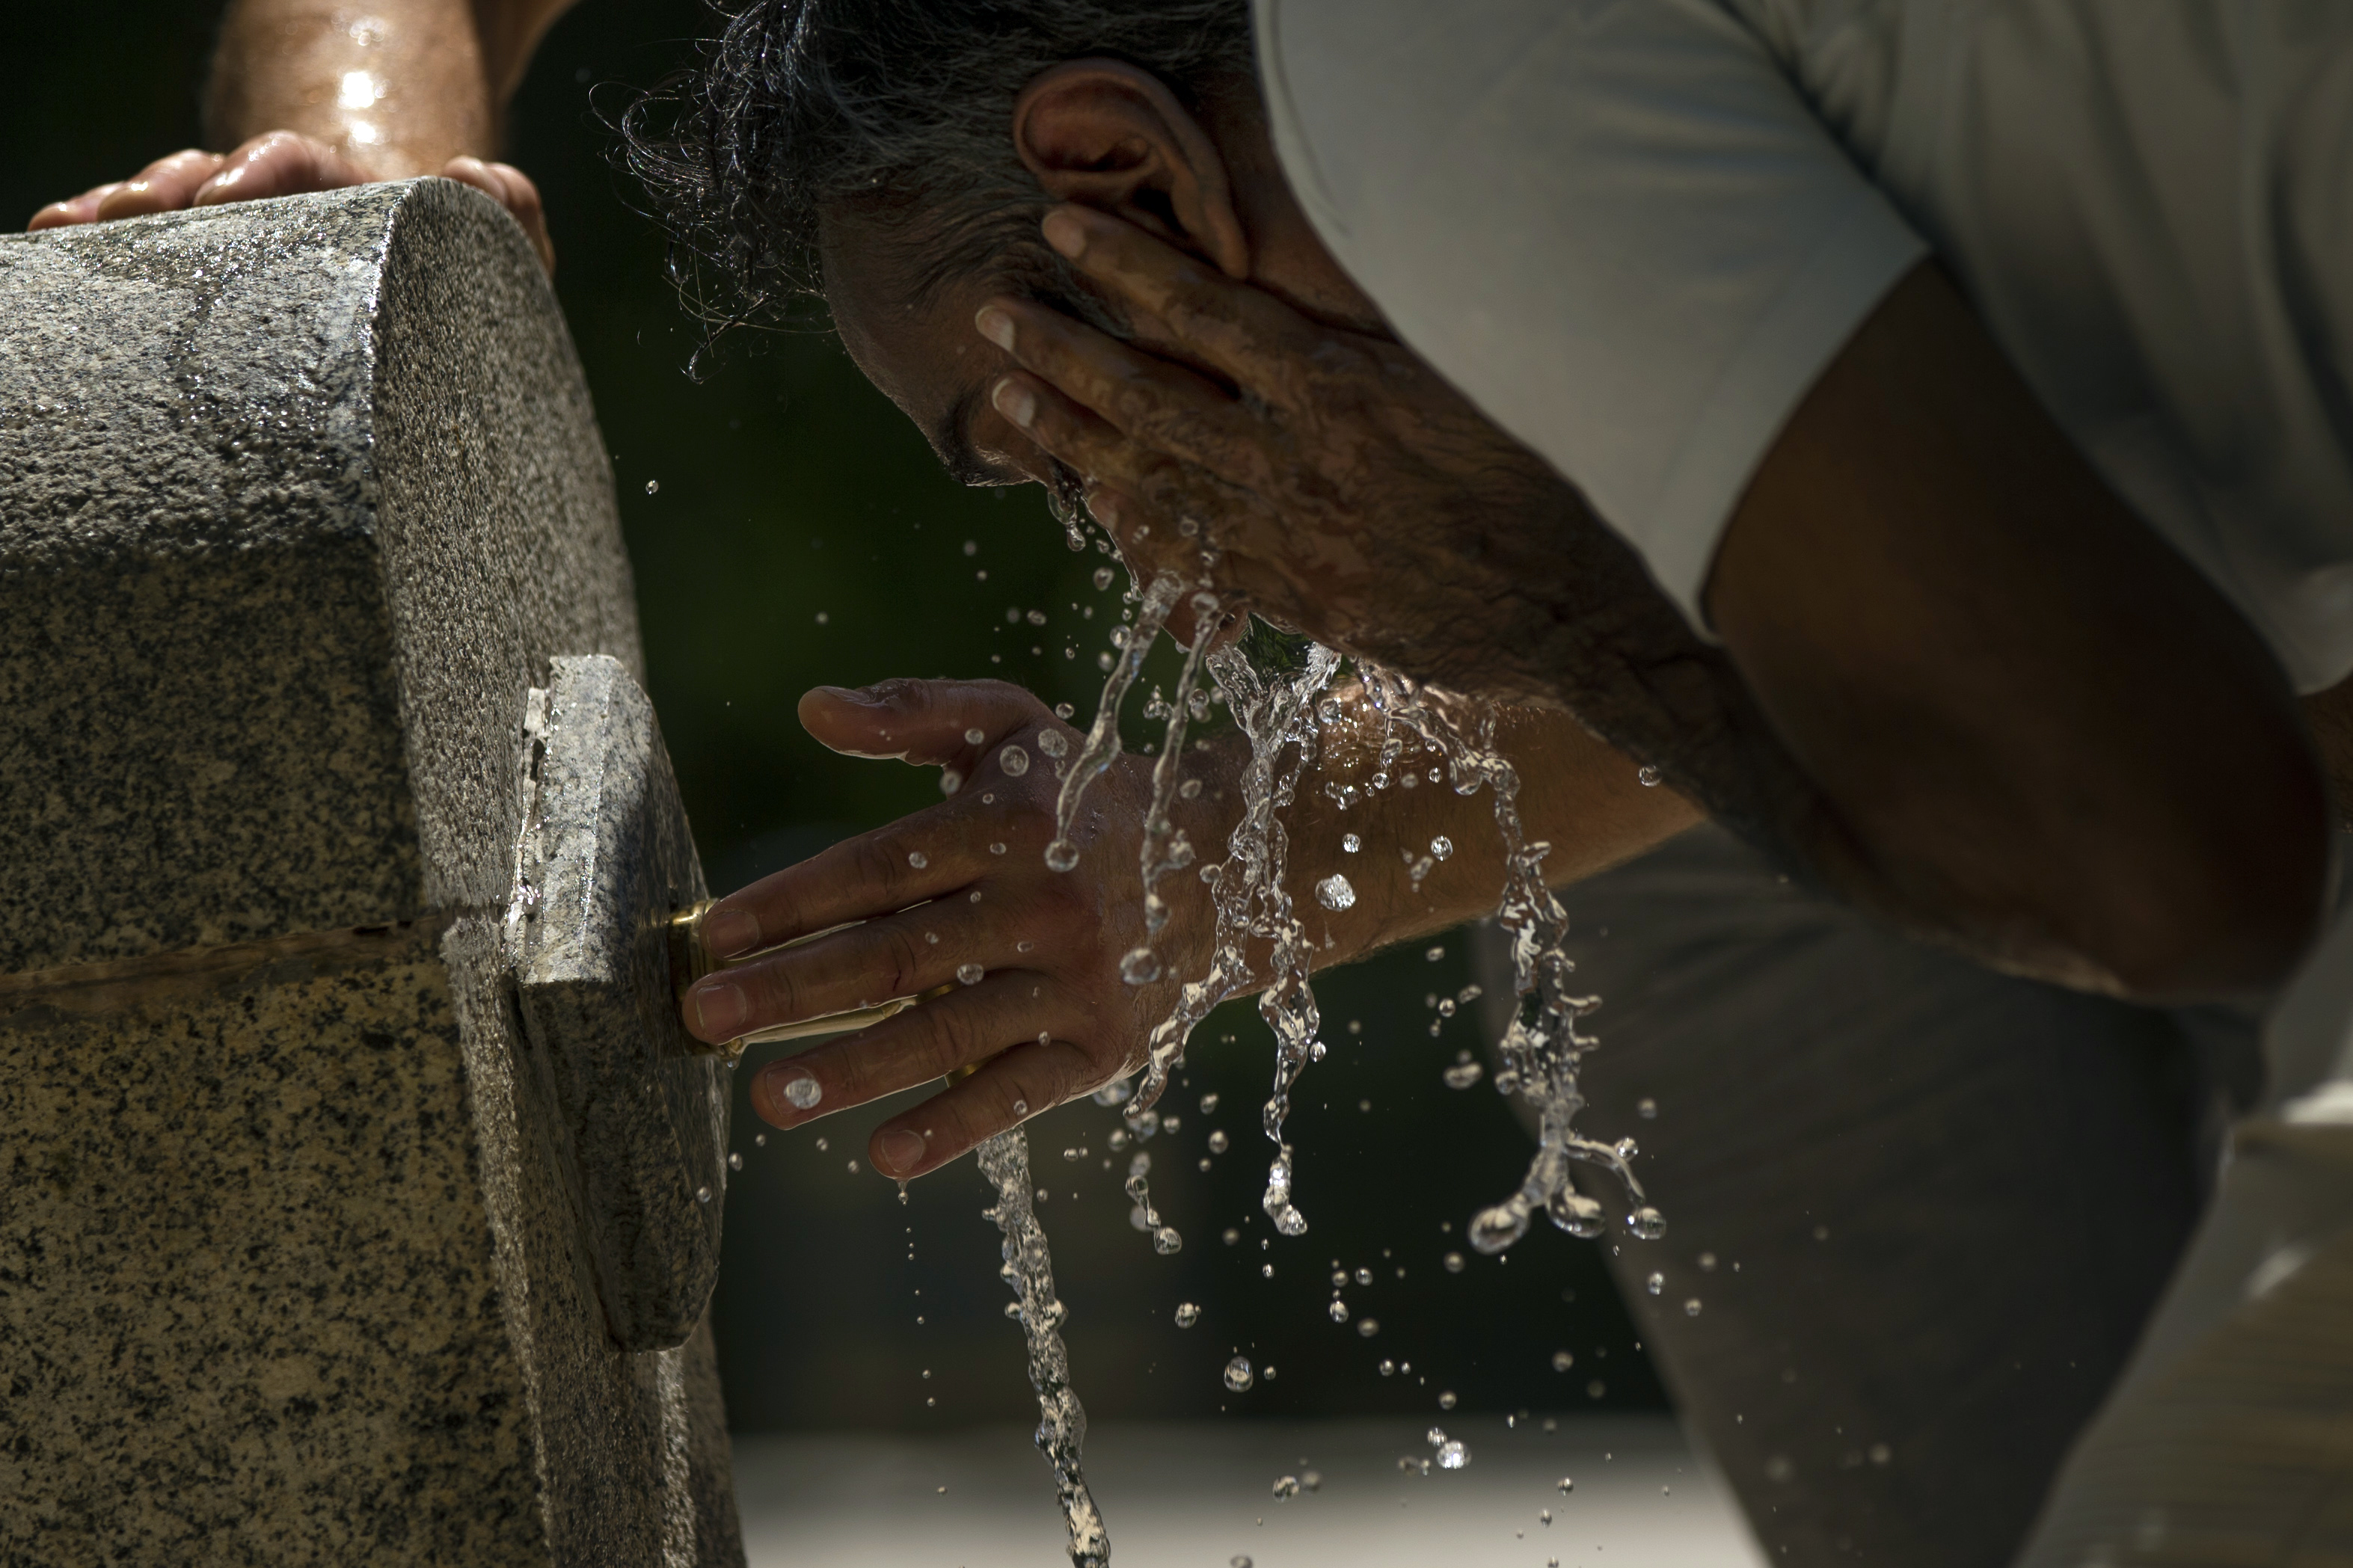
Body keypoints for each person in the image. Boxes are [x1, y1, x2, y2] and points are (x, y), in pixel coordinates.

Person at [31, 2, 2351, 1564]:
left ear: (1116, 178)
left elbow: (2183, 858)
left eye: (1034, 440)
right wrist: (359, 163)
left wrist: (1556, 624)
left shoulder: (1436, 82)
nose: (1136, 548)